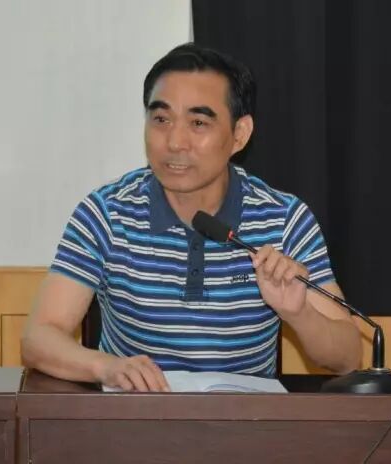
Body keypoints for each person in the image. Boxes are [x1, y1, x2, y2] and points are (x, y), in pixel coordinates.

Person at [21, 43, 361, 392]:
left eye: (198, 123)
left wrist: (298, 313)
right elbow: (38, 337)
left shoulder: (284, 220)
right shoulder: (107, 213)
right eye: (161, 119)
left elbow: (349, 358)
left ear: (239, 134)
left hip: (244, 419)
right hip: (133, 417)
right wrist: (105, 367)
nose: (175, 142)